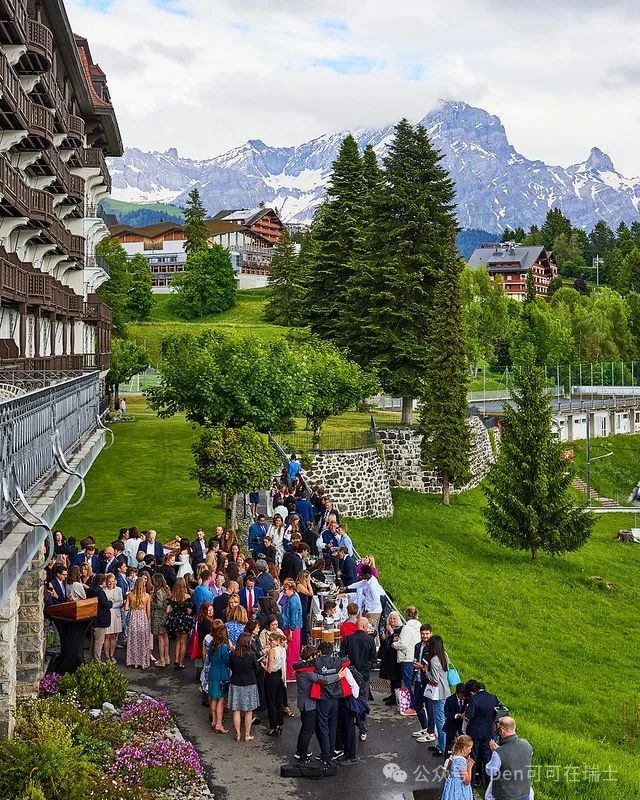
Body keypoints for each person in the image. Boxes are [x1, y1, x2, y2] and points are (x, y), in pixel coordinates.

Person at [339, 616, 376, 741]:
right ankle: (362, 728)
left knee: (350, 699)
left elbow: (341, 655)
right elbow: (374, 659)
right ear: (365, 627)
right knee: (362, 700)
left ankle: (348, 727)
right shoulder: (370, 640)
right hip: (364, 675)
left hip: (351, 674)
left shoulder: (348, 639)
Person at [485, 716, 533, 800]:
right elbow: (517, 756)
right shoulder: (526, 744)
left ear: (502, 731)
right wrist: (499, 750)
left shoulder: (498, 753)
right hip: (525, 792)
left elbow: (490, 771)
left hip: (506, 795)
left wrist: (495, 752)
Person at [464, 679, 501, 787]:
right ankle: (488, 783)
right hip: (488, 731)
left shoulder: (474, 699)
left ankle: (472, 782)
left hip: (474, 732)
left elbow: (469, 715)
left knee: (473, 757)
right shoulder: (493, 697)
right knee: (487, 757)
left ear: (472, 691)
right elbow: (498, 712)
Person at [228, 632, 260, 742]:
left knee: (236, 709)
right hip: (249, 683)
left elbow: (230, 666)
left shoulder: (233, 654)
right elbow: (257, 669)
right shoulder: (252, 654)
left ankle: (238, 733)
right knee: (248, 711)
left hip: (236, 682)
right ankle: (247, 734)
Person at [422, 635, 451, 757]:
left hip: (437, 692)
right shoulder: (445, 655)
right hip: (445, 690)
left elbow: (434, 679)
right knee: (441, 718)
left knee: (439, 721)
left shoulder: (434, 660)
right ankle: (440, 745)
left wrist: (426, 671)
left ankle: (443, 747)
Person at [207, 619, 231, 733]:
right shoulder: (224, 647)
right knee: (221, 700)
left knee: (213, 699)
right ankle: (219, 724)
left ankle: (214, 721)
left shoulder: (212, 644)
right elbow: (227, 661)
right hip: (222, 675)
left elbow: (209, 658)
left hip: (213, 673)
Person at [165, 577, 194, 669]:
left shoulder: (172, 596)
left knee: (178, 640)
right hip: (184, 621)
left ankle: (176, 659)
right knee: (183, 642)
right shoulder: (187, 597)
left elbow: (167, 610)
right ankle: (181, 663)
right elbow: (189, 611)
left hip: (175, 621)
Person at [347, 565, 385, 635]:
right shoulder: (368, 580)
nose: (361, 577)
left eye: (362, 575)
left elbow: (376, 600)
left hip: (374, 612)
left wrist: (367, 610)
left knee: (371, 632)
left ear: (367, 575)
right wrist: (347, 587)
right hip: (369, 610)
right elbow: (360, 584)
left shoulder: (372, 585)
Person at [413, 624, 436, 742]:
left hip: (428, 681)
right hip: (418, 680)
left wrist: (422, 667)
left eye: (427, 634)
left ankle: (431, 732)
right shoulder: (417, 646)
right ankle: (425, 727)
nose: (425, 636)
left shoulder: (433, 647)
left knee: (429, 707)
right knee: (417, 705)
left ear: (431, 633)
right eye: (423, 634)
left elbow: (434, 667)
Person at [263, 630, 288, 735]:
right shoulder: (283, 649)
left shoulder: (272, 651)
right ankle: (279, 723)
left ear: (277, 640)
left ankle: (273, 726)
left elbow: (269, 669)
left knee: (271, 702)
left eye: (271, 640)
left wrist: (263, 666)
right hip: (280, 676)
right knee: (279, 701)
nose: (270, 642)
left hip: (271, 677)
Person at [125, 574, 152, 669]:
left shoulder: (130, 595)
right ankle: (142, 661)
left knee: (133, 639)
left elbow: (126, 608)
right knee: (143, 640)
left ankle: (133, 660)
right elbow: (148, 610)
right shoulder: (147, 596)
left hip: (133, 617)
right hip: (143, 618)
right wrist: (148, 620)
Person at [393, 606, 422, 689]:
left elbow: (403, 644)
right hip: (415, 658)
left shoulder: (407, 628)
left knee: (408, 683)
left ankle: (409, 697)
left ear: (407, 615)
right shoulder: (419, 626)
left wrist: (394, 644)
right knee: (413, 682)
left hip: (407, 658)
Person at [378, 610, 402, 705]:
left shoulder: (400, 629)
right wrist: (383, 638)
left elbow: (396, 641)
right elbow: (386, 641)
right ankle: (392, 694)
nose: (392, 620)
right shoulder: (387, 628)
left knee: (396, 678)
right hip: (388, 656)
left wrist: (391, 633)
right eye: (391, 618)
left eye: (394, 619)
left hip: (395, 657)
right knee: (391, 678)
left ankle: (396, 698)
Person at [281, 579, 303, 681]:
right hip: (291, 628)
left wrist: (291, 631)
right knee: (291, 651)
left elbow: (293, 617)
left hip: (291, 629)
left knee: (291, 652)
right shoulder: (292, 598)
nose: (284, 592)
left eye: (286, 589)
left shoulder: (293, 600)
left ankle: (291, 674)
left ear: (291, 589)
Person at [88, 574, 112, 663]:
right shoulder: (100, 591)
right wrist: (111, 602)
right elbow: (105, 605)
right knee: (99, 641)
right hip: (101, 619)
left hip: (92, 618)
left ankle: (92, 659)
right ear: (103, 582)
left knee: (93, 641)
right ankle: (97, 661)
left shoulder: (90, 590)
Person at [441, 734, 474, 800]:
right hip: (459, 789)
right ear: (464, 748)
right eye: (470, 748)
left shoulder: (452, 757)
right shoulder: (461, 761)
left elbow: (445, 775)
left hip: (451, 788)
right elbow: (466, 781)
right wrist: (469, 767)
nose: (470, 751)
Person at [150, 573, 171, 667]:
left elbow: (159, 604)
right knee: (165, 636)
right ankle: (167, 658)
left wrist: (151, 603)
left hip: (159, 615)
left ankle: (162, 659)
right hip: (166, 615)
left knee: (160, 637)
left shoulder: (158, 591)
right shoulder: (166, 589)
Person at [103, 572, 123, 664]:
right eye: (109, 581)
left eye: (112, 581)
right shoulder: (103, 590)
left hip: (116, 615)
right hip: (107, 614)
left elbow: (120, 602)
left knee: (114, 636)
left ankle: (112, 655)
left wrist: (111, 605)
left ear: (115, 581)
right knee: (107, 636)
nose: (111, 583)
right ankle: (107, 656)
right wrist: (109, 605)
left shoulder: (119, 590)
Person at [445, 684, 468, 755]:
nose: (464, 697)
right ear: (458, 693)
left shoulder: (467, 700)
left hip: (462, 727)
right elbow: (446, 713)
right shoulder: (449, 700)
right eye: (462, 695)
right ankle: (447, 758)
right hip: (451, 726)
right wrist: (457, 715)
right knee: (449, 745)